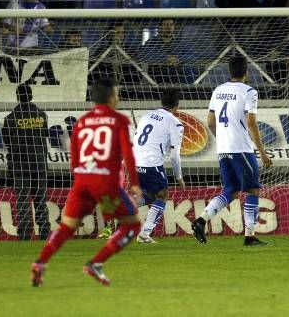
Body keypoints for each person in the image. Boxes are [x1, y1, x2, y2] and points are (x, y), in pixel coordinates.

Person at [31, 78, 141, 287]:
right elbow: (128, 154)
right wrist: (134, 184)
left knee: (66, 227)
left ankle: (40, 263)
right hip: (105, 186)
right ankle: (96, 263)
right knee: (132, 224)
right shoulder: (119, 120)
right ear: (111, 97)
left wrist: (82, 178)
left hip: (82, 183)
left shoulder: (81, 121)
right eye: (116, 94)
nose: (117, 97)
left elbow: (73, 157)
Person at [190, 56, 273, 246]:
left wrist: (223, 139)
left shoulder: (218, 90)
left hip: (224, 149)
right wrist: (262, 151)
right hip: (241, 147)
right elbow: (251, 122)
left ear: (229, 71)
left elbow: (210, 121)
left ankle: (201, 220)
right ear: (246, 72)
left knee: (232, 190)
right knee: (253, 189)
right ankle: (250, 236)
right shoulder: (249, 91)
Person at [131, 89, 185, 243]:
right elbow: (175, 154)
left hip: (135, 162)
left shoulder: (146, 115)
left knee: (148, 195)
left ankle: (124, 206)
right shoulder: (175, 123)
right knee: (162, 195)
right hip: (151, 163)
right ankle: (144, 233)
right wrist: (178, 176)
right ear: (177, 105)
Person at [2, 84, 50, 241]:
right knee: (41, 200)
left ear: (17, 97)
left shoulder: (10, 118)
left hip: (20, 165)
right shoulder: (42, 115)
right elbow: (44, 135)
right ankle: (44, 233)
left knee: (22, 201)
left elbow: (7, 142)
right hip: (40, 163)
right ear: (31, 96)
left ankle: (24, 235)